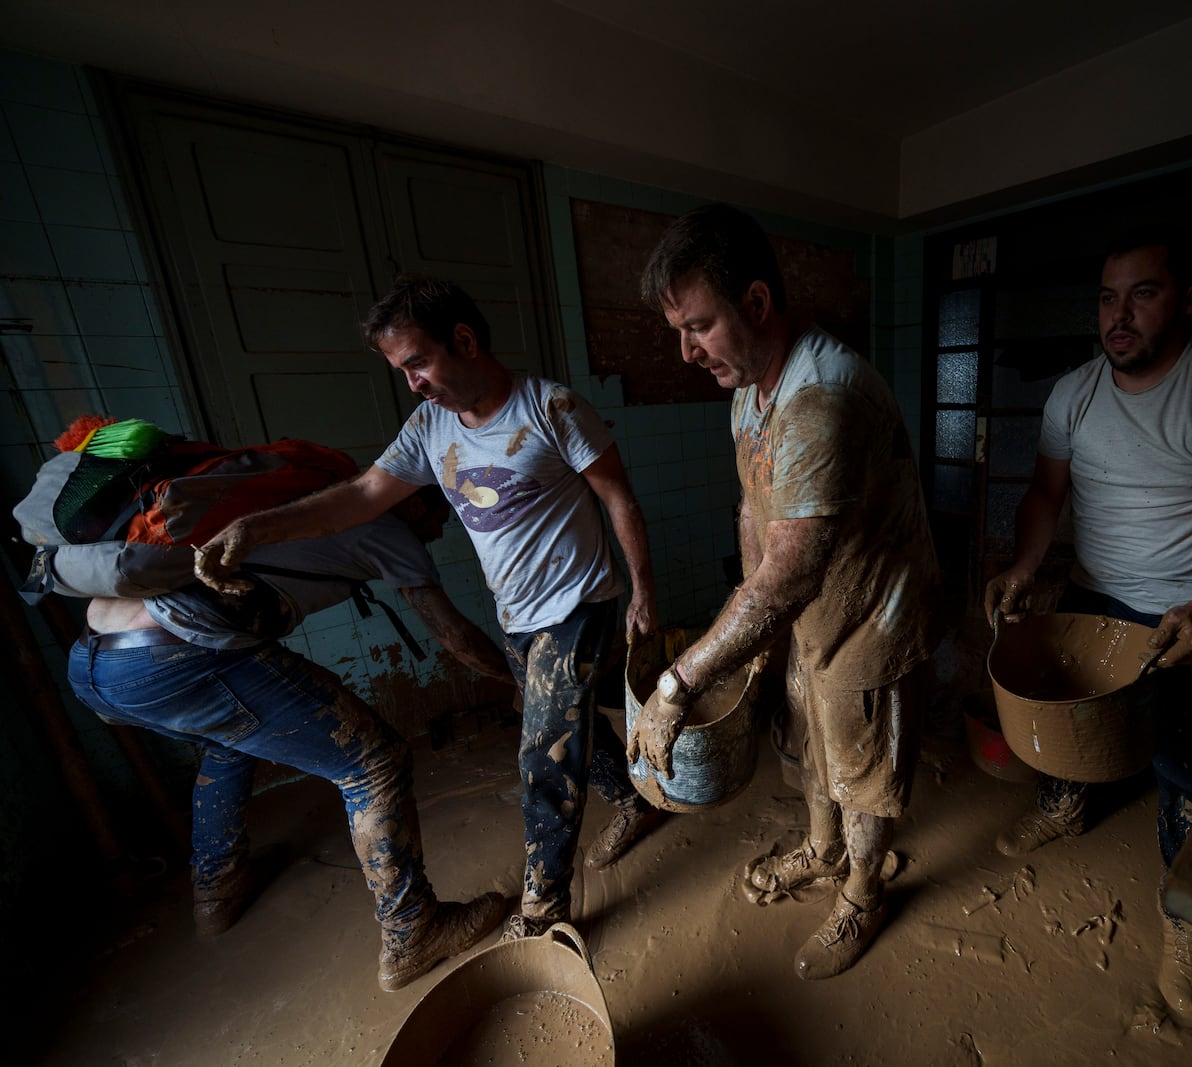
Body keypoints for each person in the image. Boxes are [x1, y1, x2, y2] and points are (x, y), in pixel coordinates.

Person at [193, 275, 664, 942]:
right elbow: (357, 497)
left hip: (578, 603)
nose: (411, 382)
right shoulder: (428, 426)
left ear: (465, 341)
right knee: (571, 720)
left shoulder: (551, 408)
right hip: (516, 615)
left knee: (544, 752)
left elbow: (617, 496)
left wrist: (642, 589)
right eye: (400, 370)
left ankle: (544, 904)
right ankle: (633, 803)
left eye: (417, 362)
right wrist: (256, 528)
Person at [982, 232, 1192, 1017]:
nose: (1118, 317)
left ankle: (1187, 910)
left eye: (1143, 294)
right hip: (1099, 590)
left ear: (1188, 299)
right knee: (1069, 712)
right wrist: (1025, 567)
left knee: (1187, 765)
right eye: (1107, 297)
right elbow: (1045, 494)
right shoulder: (1075, 394)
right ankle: (1066, 802)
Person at [629, 204, 939, 980]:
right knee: (809, 734)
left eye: (698, 326)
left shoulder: (821, 400)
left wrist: (680, 682)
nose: (686, 350)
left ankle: (864, 890)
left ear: (758, 305)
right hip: (809, 607)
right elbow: (754, 510)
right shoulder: (749, 390)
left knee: (861, 760)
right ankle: (823, 848)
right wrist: (763, 636)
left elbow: (792, 569)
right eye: (678, 329)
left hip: (873, 611)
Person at [65, 489, 510, 990]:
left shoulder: (304, 503)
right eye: (440, 514)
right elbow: (454, 637)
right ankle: (413, 932)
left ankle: (218, 890)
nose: (439, 530)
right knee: (373, 762)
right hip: (170, 660)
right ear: (412, 502)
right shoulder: (389, 529)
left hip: (93, 666)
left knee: (231, 741)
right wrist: (520, 682)